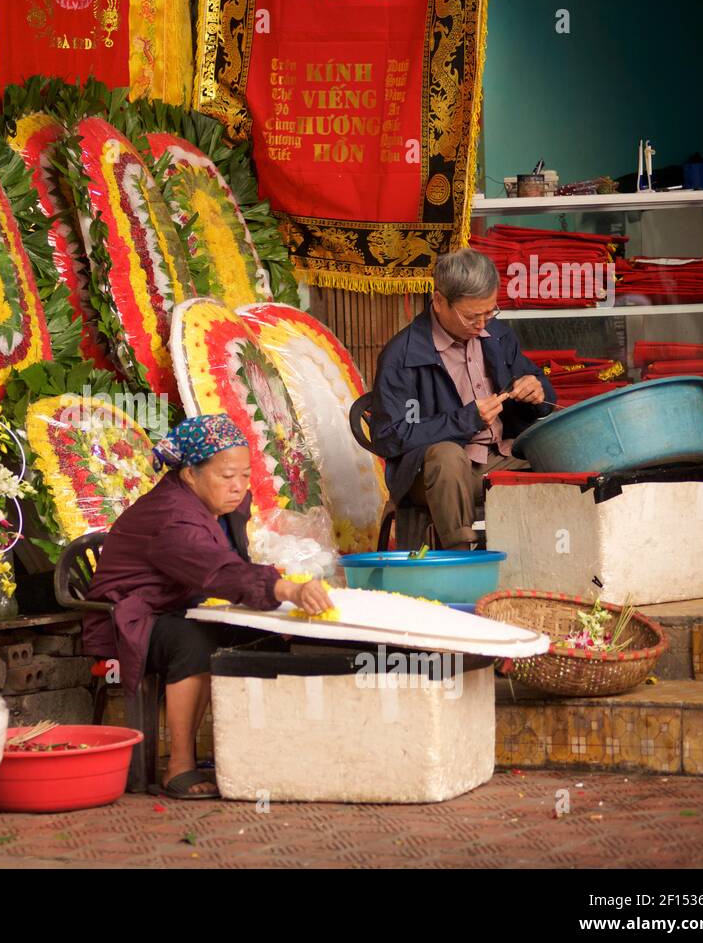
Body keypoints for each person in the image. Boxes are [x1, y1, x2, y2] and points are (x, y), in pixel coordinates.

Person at [82, 414, 333, 799]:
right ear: (189, 475)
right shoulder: (173, 516)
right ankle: (179, 764)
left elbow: (230, 562)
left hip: (183, 604)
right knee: (194, 640)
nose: (238, 487)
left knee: (268, 633)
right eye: (226, 476)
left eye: (245, 475)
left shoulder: (221, 504)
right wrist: (285, 589)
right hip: (130, 619)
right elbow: (215, 569)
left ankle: (252, 752)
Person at [370, 247, 557, 549]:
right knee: (447, 457)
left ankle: (548, 559)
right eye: (472, 316)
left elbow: (541, 389)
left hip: (499, 457)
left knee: (560, 456)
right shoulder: (401, 355)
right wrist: (465, 419)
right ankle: (461, 558)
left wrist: (538, 391)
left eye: (490, 312)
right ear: (440, 301)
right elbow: (388, 437)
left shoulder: (497, 335)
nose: (483, 324)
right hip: (431, 474)